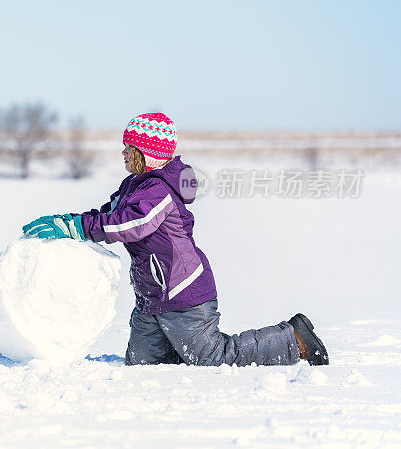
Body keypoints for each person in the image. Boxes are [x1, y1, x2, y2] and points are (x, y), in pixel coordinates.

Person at [22, 112, 328, 367]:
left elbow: (131, 223)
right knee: (142, 366)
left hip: (184, 293)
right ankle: (179, 352)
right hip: (152, 298)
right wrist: (68, 222)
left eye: (130, 148)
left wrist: (79, 227)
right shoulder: (134, 185)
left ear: (147, 156)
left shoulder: (157, 191)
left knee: (213, 356)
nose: (123, 153)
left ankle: (293, 338)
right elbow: (108, 214)